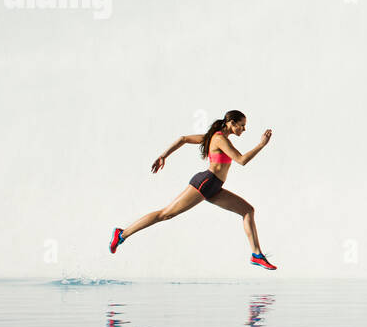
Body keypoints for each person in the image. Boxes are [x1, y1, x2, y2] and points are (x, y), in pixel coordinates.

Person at [109, 110, 276, 269]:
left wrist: (164, 156)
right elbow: (241, 160)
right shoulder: (219, 139)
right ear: (231, 123)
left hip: (214, 187)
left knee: (248, 210)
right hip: (205, 183)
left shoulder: (215, 137)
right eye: (242, 125)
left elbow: (183, 139)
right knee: (166, 214)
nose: (244, 129)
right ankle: (122, 234)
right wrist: (261, 145)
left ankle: (256, 255)